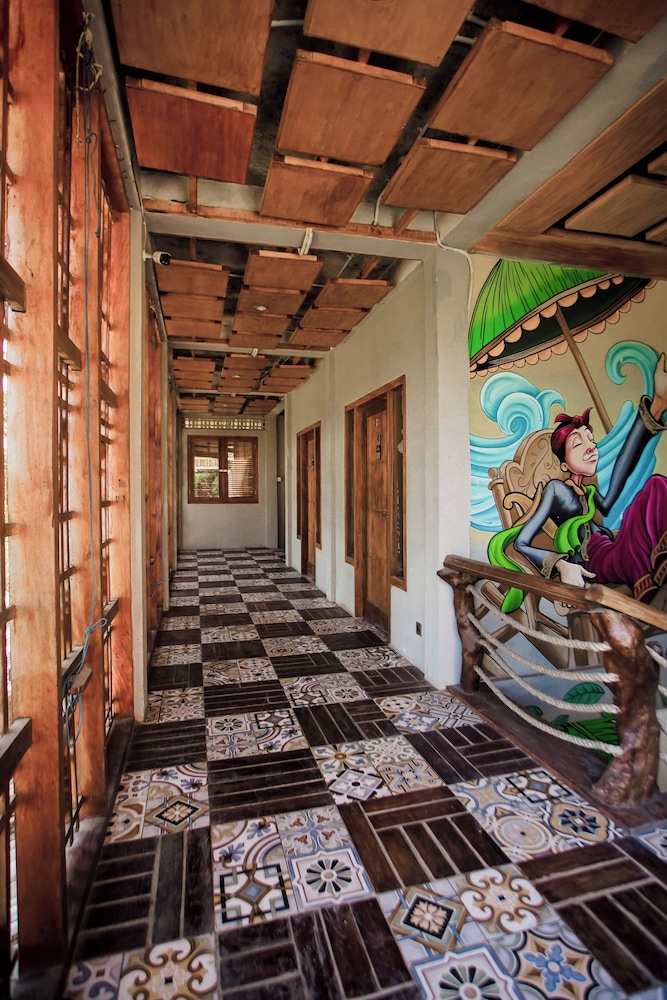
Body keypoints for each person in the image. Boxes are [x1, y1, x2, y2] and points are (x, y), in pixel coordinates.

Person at [489, 352, 667, 611]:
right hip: (597, 561)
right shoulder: (556, 489)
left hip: (611, 547)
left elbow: (622, 469)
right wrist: (562, 565)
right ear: (563, 464)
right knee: (655, 489)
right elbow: (521, 543)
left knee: (657, 487)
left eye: (590, 440)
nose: (590, 447)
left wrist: (656, 407)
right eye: (577, 443)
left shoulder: (589, 494)